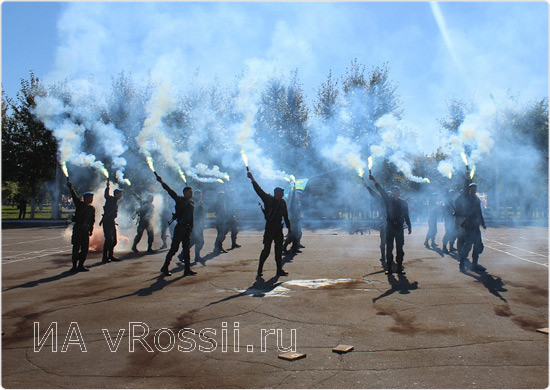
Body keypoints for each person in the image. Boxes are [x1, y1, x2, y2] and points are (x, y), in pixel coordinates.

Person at [247, 171, 291, 277]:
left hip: (278, 228)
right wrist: (252, 179)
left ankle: (279, 270)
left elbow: (285, 216)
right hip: (270, 228)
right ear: (276, 194)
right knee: (266, 250)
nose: (283, 195)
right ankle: (259, 269)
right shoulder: (268, 199)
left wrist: (289, 228)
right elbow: (259, 191)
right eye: (281, 194)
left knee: (278, 250)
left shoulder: (283, 202)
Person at [369, 174, 412, 275]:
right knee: (389, 248)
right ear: (392, 193)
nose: (395, 193)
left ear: (399, 192)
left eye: (396, 191)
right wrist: (374, 180)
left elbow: (407, 215)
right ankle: (389, 268)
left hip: (400, 227)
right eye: (393, 191)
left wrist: (409, 226)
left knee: (400, 248)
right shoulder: (388, 200)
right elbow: (381, 190)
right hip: (390, 226)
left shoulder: (404, 203)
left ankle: (399, 268)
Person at [156, 173, 196, 276]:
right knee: (174, 249)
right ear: (184, 192)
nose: (191, 194)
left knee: (186, 250)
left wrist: (191, 227)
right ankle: (165, 267)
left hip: (187, 229)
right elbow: (170, 191)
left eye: (191, 192)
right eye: (189, 192)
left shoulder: (192, 203)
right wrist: (162, 182)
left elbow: (191, 216)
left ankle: (187, 269)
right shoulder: (180, 200)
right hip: (180, 228)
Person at [454, 171, 487, 271]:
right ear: (469, 189)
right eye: (472, 188)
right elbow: (465, 188)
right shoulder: (467, 197)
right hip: (469, 226)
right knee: (467, 245)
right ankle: (462, 262)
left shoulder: (477, 199)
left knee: (478, 246)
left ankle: (475, 264)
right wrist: (466, 178)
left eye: (475, 188)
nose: (474, 189)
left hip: (476, 226)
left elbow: (479, 212)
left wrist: (483, 223)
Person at [67, 181, 95, 272]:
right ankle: (74, 266)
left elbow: (92, 220)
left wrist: (91, 229)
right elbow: (74, 197)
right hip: (78, 229)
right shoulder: (80, 205)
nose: (91, 199)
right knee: (76, 247)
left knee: (85, 248)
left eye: (92, 198)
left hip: (85, 230)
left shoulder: (91, 208)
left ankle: (81, 265)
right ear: (85, 198)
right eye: (90, 198)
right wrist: (71, 188)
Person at [363, 182, 387, 267]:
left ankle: (387, 255)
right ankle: (383, 255)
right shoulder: (382, 200)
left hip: (391, 225)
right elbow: (374, 194)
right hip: (384, 223)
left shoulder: (392, 201)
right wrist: (367, 187)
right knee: (383, 241)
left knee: (389, 242)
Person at [179, 189, 205, 262]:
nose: (200, 195)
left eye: (201, 194)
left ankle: (185, 255)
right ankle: (185, 255)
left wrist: (202, 222)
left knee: (196, 241)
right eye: (199, 194)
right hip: (194, 223)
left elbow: (201, 214)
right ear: (196, 195)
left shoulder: (199, 202)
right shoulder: (192, 202)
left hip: (198, 223)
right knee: (197, 241)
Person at [100, 180, 122, 263]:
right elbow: (106, 195)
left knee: (114, 241)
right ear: (116, 194)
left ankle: (110, 255)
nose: (121, 195)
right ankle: (105, 257)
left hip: (112, 222)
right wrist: (107, 187)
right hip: (107, 222)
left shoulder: (115, 201)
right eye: (120, 194)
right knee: (108, 239)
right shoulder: (110, 199)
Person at [283, 185, 303, 254]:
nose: (300, 196)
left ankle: (294, 248)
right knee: (291, 235)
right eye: (299, 195)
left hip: (297, 220)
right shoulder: (293, 202)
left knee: (297, 235)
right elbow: (292, 197)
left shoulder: (298, 202)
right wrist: (294, 189)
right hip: (293, 221)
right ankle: (284, 247)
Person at [441, 189, 457, 253]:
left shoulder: (453, 201)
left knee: (454, 234)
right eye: (451, 193)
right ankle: (444, 247)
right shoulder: (447, 201)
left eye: (453, 193)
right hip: (448, 219)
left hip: (453, 219)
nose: (452, 194)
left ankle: (451, 247)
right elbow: (445, 210)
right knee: (448, 233)